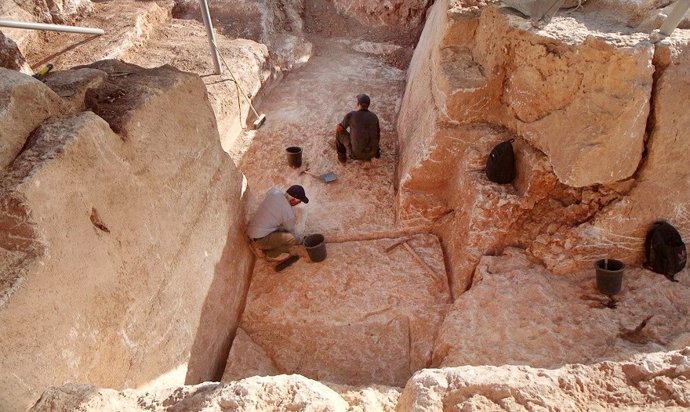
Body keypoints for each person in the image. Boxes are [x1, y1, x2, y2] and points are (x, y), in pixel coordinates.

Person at [247, 185, 309, 260]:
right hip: (259, 239)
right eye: (299, 201)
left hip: (252, 231)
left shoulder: (275, 192)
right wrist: (300, 240)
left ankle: (261, 244)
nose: (299, 203)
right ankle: (269, 254)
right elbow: (291, 230)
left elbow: (269, 193)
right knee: (292, 239)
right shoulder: (288, 214)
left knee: (280, 228)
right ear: (292, 200)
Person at [335, 93, 381, 163]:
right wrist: (376, 152)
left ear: (358, 104)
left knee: (339, 133)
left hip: (355, 155)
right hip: (372, 153)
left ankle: (342, 159)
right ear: (368, 105)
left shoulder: (351, 115)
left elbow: (339, 129)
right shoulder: (374, 116)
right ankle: (373, 155)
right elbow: (378, 135)